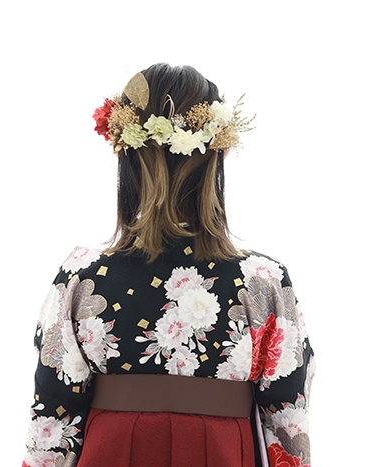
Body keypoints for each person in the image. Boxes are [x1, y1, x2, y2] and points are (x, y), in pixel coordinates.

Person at [21, 63, 315, 467]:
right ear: (215, 159)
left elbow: (52, 420)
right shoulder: (263, 281)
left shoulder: (81, 276)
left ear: (128, 159)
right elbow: (287, 421)